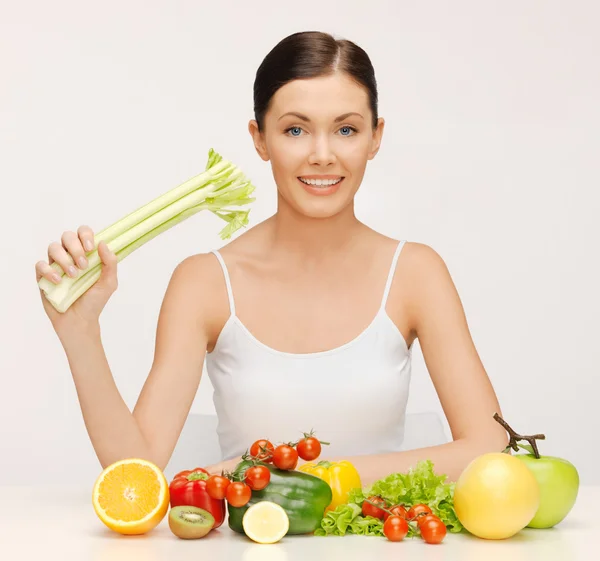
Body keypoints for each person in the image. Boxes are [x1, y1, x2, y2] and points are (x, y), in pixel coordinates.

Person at [35, 31, 508, 485]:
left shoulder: (416, 273)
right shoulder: (204, 281)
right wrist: (80, 334)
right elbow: (135, 475)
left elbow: (489, 445)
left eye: (346, 129)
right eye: (295, 129)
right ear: (260, 138)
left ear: (375, 137)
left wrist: (306, 475)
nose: (322, 155)